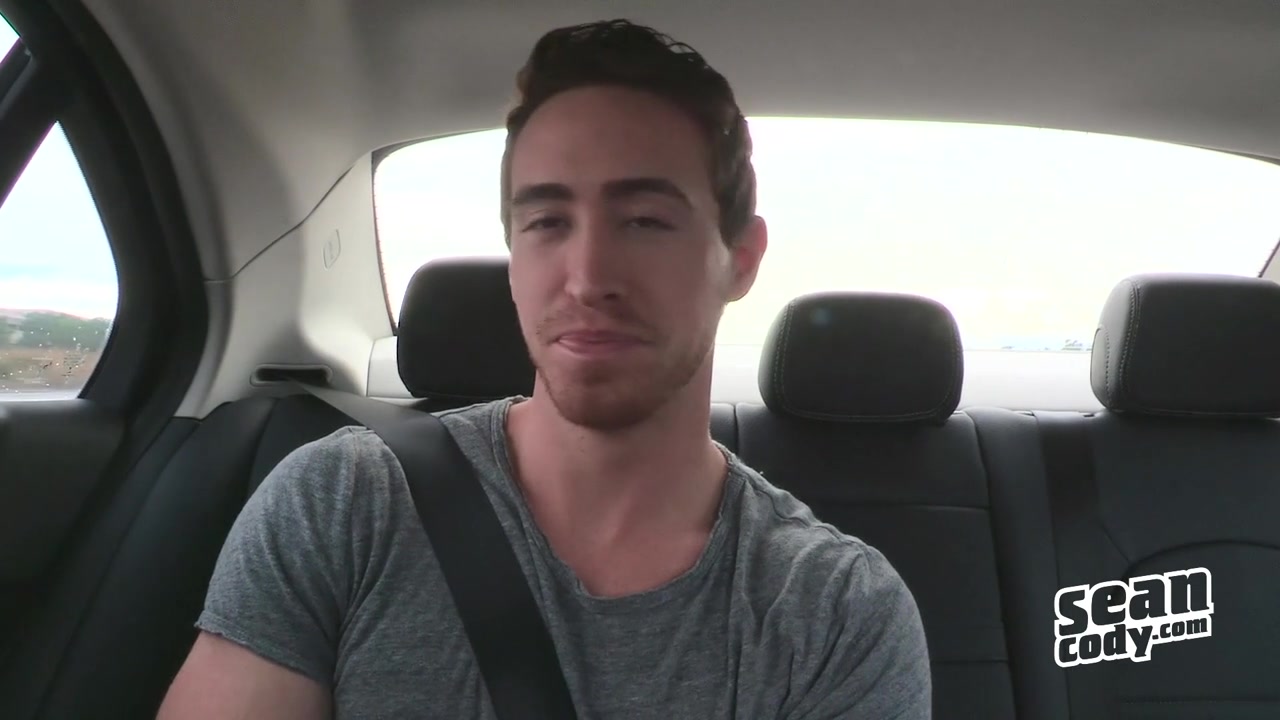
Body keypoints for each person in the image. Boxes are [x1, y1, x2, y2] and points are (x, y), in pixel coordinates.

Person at [159, 18, 931, 719]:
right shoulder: (341, 503)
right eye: (547, 222)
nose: (588, 277)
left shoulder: (836, 613)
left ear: (741, 259)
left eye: (645, 220)